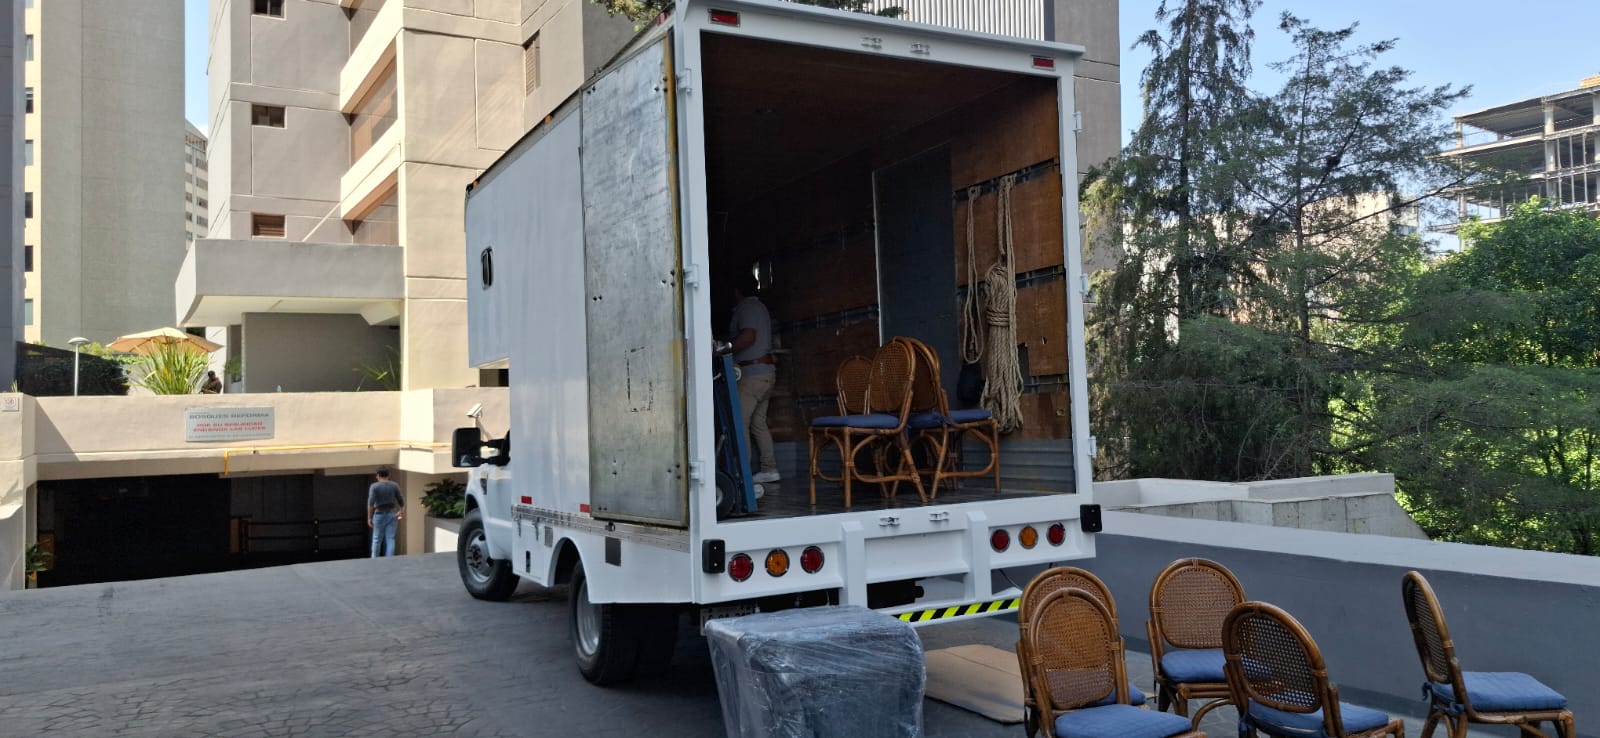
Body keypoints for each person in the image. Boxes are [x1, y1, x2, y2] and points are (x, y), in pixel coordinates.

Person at [727, 274, 781, 485]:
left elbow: (748, 337)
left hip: (752, 375)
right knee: (759, 423)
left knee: (740, 422)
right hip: (766, 373)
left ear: (736, 292)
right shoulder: (761, 308)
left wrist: (726, 348)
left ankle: (743, 472)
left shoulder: (747, 308)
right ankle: (769, 469)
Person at [367, 466, 405, 558]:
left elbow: (370, 504)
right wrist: (402, 511)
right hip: (392, 514)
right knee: (390, 538)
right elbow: (401, 500)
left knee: (376, 539)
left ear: (378, 475)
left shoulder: (374, 486)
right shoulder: (394, 485)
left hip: (379, 514)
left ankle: (374, 560)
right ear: (388, 475)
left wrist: (369, 518)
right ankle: (389, 560)